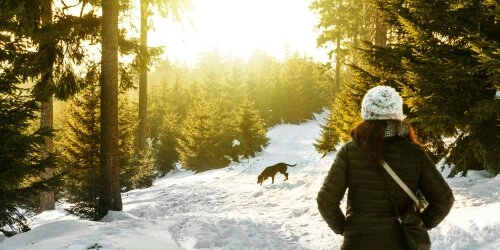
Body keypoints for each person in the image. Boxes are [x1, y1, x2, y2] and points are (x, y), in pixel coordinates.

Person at [317, 85, 454, 249]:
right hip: (401, 243)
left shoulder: (350, 151)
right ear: (398, 114)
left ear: (366, 113)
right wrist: (418, 224)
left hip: (357, 243)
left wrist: (345, 229)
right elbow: (444, 199)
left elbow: (326, 200)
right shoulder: (415, 153)